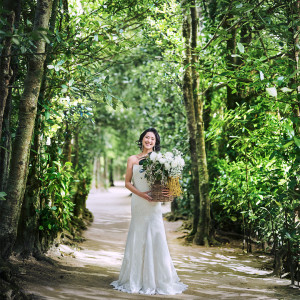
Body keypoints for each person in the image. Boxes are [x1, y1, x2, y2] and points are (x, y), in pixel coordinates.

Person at [111, 128, 188, 295]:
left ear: (155, 142)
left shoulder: (160, 160)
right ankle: (135, 278)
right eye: (147, 137)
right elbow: (127, 182)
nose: (149, 141)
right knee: (137, 234)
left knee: (155, 234)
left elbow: (171, 181)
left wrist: (171, 192)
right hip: (139, 202)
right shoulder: (132, 159)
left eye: (152, 139)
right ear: (142, 139)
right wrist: (141, 195)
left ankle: (156, 279)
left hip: (154, 203)